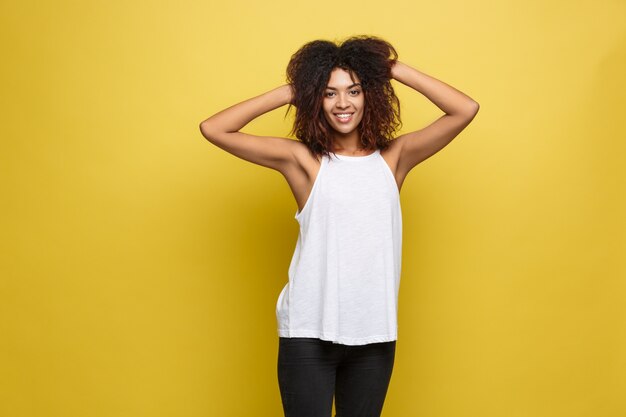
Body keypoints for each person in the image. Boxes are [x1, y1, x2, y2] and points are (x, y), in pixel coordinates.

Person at [199, 35, 479, 417]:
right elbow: (214, 128)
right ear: (317, 100)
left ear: (370, 96)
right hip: (308, 334)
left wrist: (389, 68)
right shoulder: (303, 161)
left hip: (374, 334)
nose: (343, 103)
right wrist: (295, 89)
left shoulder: (394, 159)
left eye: (354, 90)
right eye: (329, 93)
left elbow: (465, 108)